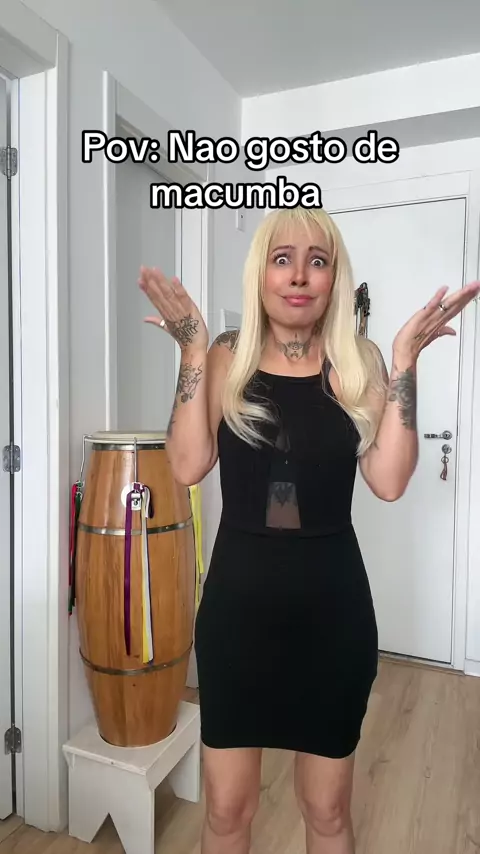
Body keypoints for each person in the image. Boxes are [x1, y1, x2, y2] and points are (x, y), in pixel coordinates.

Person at [138, 206, 480, 854]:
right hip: (237, 619)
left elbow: (389, 479)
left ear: (334, 278)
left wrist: (405, 363)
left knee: (326, 810)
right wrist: (190, 351)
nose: (299, 275)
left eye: (317, 261)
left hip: (332, 621)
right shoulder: (227, 355)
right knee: (227, 811)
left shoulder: (359, 362)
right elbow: (185, 465)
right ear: (261, 274)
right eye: (282, 259)